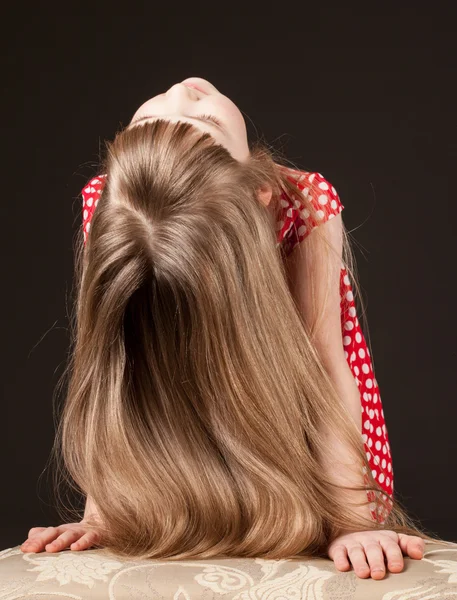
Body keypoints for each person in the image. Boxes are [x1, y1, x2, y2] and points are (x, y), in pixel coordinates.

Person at [20, 77, 452, 579]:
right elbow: (113, 364)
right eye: (150, 120)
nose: (181, 92)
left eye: (201, 122)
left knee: (317, 482)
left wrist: (352, 521)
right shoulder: (114, 203)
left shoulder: (305, 205)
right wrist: (102, 513)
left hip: (294, 427)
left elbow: (327, 362)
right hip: (169, 441)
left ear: (261, 192)